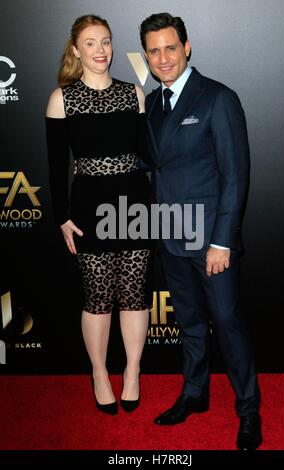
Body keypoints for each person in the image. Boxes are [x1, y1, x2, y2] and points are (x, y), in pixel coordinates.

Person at [140, 12, 262, 450]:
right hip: (169, 239)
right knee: (190, 324)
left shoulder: (217, 98)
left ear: (187, 47)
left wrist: (222, 241)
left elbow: (236, 175)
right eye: (154, 50)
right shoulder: (151, 104)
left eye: (170, 47)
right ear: (147, 56)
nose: (163, 57)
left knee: (227, 324)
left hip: (212, 242)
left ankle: (249, 409)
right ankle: (195, 394)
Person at [46, 14, 152, 415]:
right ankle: (98, 373)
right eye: (90, 43)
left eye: (105, 42)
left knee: (135, 293)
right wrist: (62, 216)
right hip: (89, 206)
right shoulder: (62, 99)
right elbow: (57, 167)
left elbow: (147, 154)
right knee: (98, 297)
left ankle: (132, 372)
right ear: (76, 50)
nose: (100, 50)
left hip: (135, 202)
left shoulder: (133, 94)